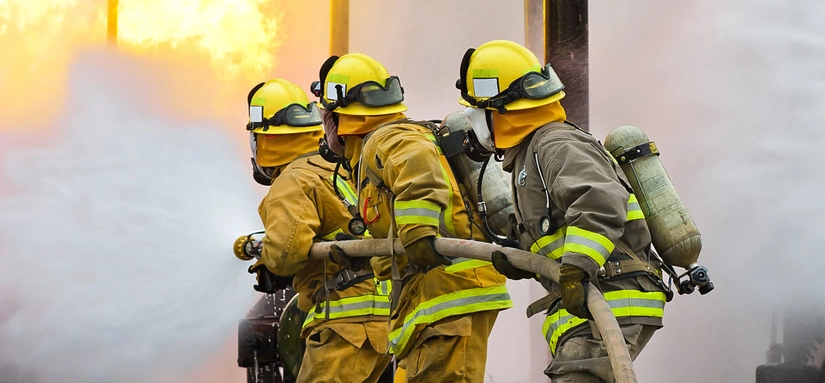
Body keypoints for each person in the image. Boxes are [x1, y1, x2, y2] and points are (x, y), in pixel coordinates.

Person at [456, 40, 668, 383]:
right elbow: (556, 227)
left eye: (477, 114)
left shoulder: (555, 145)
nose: (473, 126)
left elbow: (599, 204)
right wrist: (520, 256)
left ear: (502, 110)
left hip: (613, 294)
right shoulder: (530, 154)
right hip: (592, 299)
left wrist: (577, 269)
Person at [315, 53, 513, 383]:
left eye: (325, 116)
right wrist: (360, 253)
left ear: (340, 117)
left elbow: (419, 170)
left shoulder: (386, 138)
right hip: (438, 297)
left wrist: (419, 232)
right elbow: (395, 226)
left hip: (450, 294)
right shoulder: (375, 150)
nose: (323, 127)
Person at [247, 78, 392, 383]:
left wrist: (267, 261)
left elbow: (286, 252)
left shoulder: (293, 180)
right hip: (380, 318)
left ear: (264, 140)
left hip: (345, 321)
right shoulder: (336, 168)